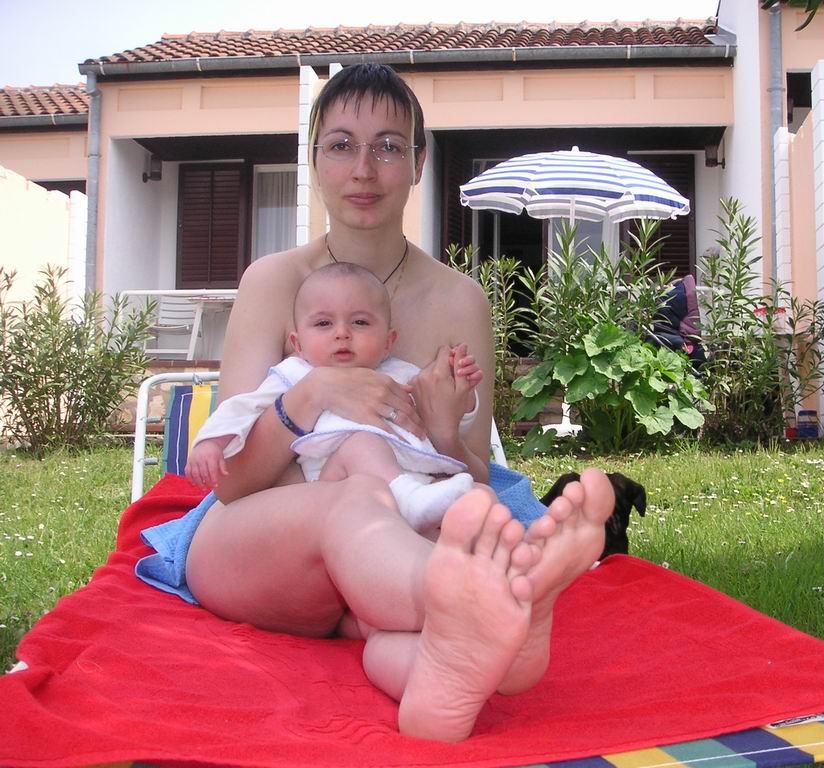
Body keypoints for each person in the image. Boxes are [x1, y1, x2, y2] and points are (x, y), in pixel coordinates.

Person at [143, 63, 615, 743]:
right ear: (314, 160)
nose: (364, 169)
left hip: (384, 562)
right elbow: (234, 482)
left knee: (402, 582)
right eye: (341, 145)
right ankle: (486, 596)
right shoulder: (271, 283)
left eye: (389, 147)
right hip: (258, 543)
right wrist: (312, 393)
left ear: (419, 162)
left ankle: (454, 664)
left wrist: (443, 431)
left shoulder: (458, 300)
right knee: (358, 497)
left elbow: (468, 475)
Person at [184, 262, 482, 533]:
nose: (342, 333)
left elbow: (437, 410)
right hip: (332, 485)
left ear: (388, 341)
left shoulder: (398, 373)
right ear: (298, 344)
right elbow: (243, 408)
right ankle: (411, 505)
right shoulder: (295, 375)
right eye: (323, 324)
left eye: (360, 322)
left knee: (482, 498)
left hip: (413, 480)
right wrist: (211, 442)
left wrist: (461, 392)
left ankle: (420, 515)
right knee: (362, 445)